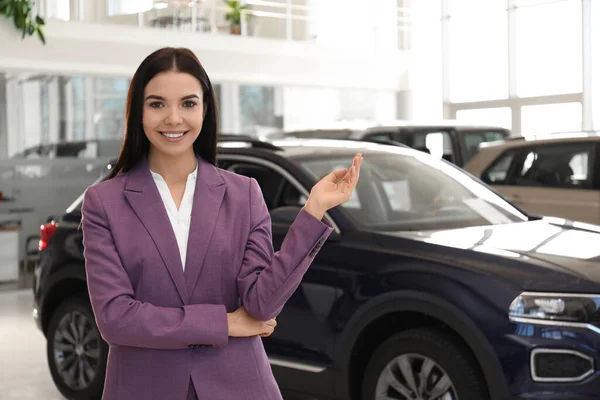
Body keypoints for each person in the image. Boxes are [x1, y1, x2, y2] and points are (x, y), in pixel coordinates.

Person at [81, 47, 363, 400]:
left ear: (205, 109)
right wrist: (226, 323)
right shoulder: (103, 202)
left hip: (240, 386)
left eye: (188, 103)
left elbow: (260, 306)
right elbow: (115, 318)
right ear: (137, 111)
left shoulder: (244, 193)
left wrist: (314, 210)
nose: (173, 118)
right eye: (156, 104)